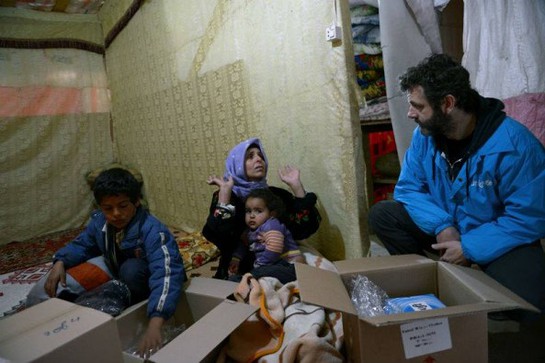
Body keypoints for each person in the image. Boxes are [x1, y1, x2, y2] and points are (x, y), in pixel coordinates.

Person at [369, 54, 545, 323]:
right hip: (450, 225)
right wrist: (441, 224)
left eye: (418, 106)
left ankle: (477, 276)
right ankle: (432, 282)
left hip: (494, 236)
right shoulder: (425, 137)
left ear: (448, 104)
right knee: (383, 215)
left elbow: (528, 218)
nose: (410, 114)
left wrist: (470, 247)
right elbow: (408, 189)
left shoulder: (515, 145)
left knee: (534, 300)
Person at [26, 168, 186, 358]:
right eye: (108, 208)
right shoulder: (100, 222)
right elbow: (83, 244)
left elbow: (166, 272)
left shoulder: (152, 230)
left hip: (141, 278)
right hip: (115, 266)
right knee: (54, 284)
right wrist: (60, 261)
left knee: (131, 269)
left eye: (123, 205)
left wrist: (155, 322)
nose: (116, 214)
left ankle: (133, 304)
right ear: (100, 207)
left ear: (136, 201)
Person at [203, 137, 321, 280]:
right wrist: (224, 196)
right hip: (237, 267)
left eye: (261, 156)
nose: (258, 159)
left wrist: (297, 187)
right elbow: (217, 234)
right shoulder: (229, 195)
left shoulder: (275, 195)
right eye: (250, 157)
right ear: (237, 164)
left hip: (277, 263)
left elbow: (304, 228)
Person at [228, 188, 303, 283]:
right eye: (248, 211)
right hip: (271, 266)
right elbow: (243, 244)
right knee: (259, 274)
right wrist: (236, 259)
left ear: (272, 214)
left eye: (258, 211)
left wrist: (260, 264)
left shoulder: (272, 225)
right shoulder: (249, 232)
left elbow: (274, 247)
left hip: (290, 265)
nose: (252, 215)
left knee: (259, 272)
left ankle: (244, 280)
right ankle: (244, 281)